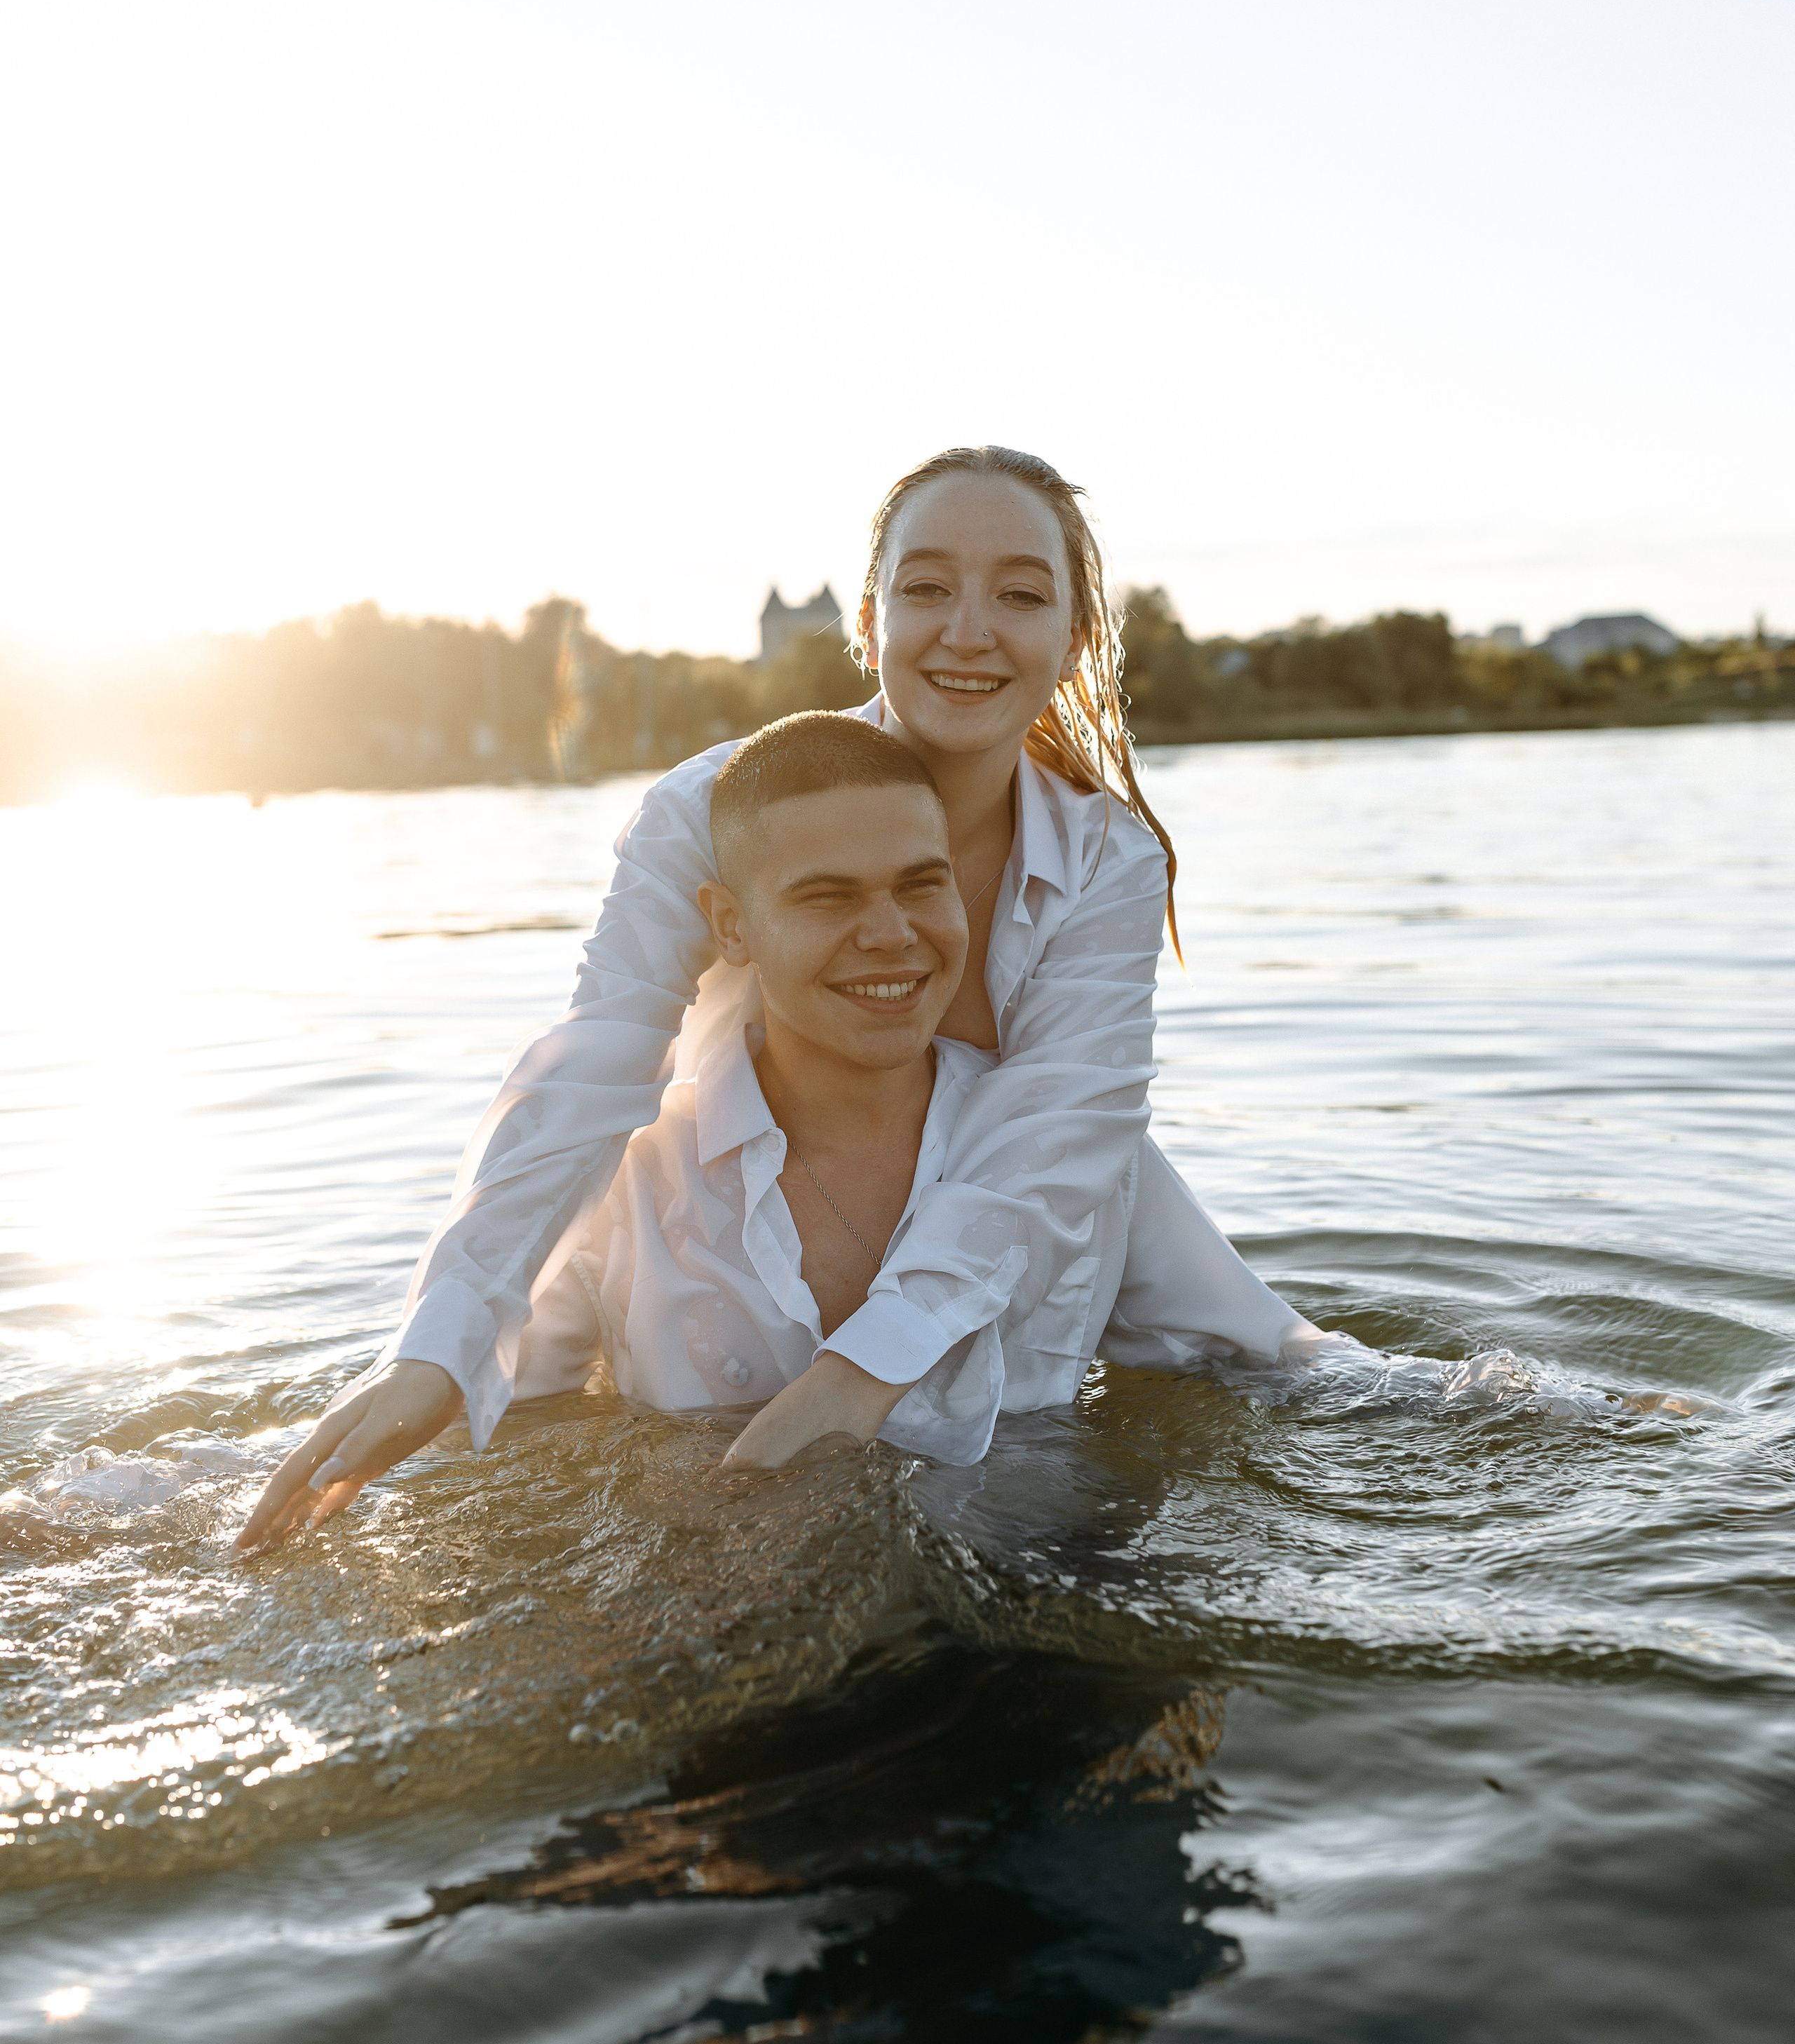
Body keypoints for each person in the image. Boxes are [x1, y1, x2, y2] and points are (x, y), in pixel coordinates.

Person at [238, 445, 1318, 1551]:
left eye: (1022, 595)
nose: (969, 629)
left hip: (1046, 1189)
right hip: (729, 1212)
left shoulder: (1105, 859)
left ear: (1076, 635)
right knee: (469, 1422)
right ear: (868, 616)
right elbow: (600, 1055)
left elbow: (1061, 1129)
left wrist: (866, 1371)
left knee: (1312, 1380)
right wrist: (437, 1341)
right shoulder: (712, 806)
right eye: (928, 587)